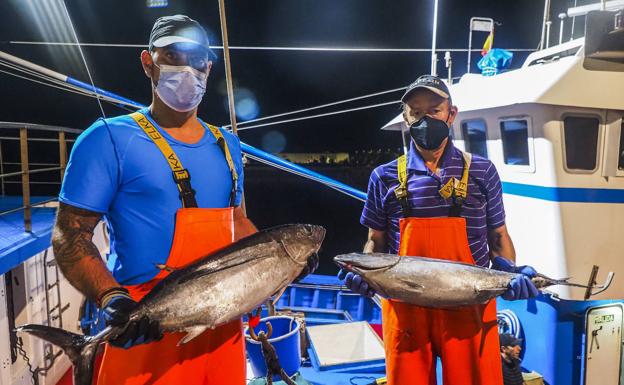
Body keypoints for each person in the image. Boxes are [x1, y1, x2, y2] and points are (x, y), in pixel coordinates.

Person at [52, 15, 316, 385]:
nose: (187, 69)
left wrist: (282, 263)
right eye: (174, 56)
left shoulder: (226, 143)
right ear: (149, 62)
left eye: (197, 59)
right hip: (146, 326)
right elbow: (70, 235)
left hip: (222, 326)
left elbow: (236, 223)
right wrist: (112, 298)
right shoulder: (107, 139)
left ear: (208, 67)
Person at [338, 75, 539, 385]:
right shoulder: (384, 177)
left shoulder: (482, 171)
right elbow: (374, 242)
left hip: (469, 304)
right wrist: (364, 273)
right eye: (416, 112)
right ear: (405, 118)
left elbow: (498, 237)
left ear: (451, 114)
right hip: (406, 308)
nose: (425, 119)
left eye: (434, 110)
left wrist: (510, 274)